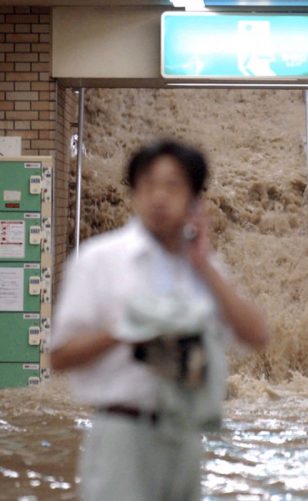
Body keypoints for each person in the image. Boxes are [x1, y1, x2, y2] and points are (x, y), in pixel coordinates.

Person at [49, 140, 269, 501]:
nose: (159, 197)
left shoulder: (202, 267)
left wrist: (203, 264)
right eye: (148, 184)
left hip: (185, 436)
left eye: (173, 185)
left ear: (195, 198)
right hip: (122, 431)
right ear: (135, 193)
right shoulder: (100, 259)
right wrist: (121, 333)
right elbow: (59, 356)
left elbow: (257, 335)